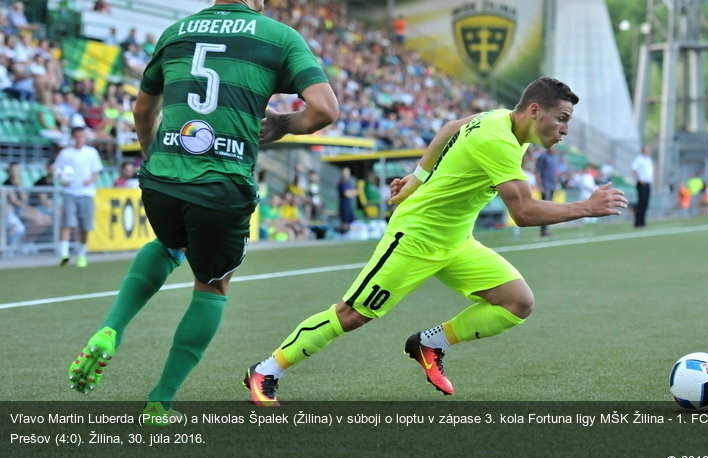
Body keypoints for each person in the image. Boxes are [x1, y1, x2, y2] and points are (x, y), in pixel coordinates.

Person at [66, 0, 339, 424]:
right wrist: (281, 123)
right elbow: (324, 110)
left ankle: (110, 328)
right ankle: (160, 400)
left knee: (170, 244)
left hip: (162, 178)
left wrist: (153, 156)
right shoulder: (279, 37)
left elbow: (142, 106)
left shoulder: (176, 32)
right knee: (212, 285)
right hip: (221, 186)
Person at [243, 77, 627, 406]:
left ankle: (429, 343)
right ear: (534, 111)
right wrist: (586, 207)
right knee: (352, 314)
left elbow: (447, 129)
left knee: (517, 303)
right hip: (415, 238)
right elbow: (523, 213)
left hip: (456, 241)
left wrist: (415, 179)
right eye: (561, 119)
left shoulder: (500, 119)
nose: (564, 129)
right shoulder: (499, 141)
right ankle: (265, 371)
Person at [55, 127, 104, 267]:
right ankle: (64, 254)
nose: (79, 139)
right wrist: (62, 178)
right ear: (73, 137)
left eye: (82, 136)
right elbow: (57, 170)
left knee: (85, 227)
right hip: (69, 192)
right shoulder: (65, 153)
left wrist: (90, 180)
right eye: (77, 136)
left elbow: (97, 172)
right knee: (67, 224)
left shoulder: (91, 152)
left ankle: (81, 255)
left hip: (86, 193)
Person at [534, 146, 559, 236]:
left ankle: (546, 229)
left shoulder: (555, 157)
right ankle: (543, 230)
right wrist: (540, 185)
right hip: (545, 185)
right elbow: (538, 172)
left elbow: (555, 171)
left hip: (552, 185)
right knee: (545, 208)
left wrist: (557, 182)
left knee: (550, 208)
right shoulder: (543, 157)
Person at [631, 145, 654, 228]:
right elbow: (634, 169)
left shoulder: (648, 159)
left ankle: (643, 221)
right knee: (641, 202)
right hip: (642, 183)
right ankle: (638, 222)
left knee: (645, 203)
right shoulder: (639, 159)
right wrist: (640, 179)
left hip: (648, 183)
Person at [337, 166, 356, 235]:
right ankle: (342, 235)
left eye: (347, 174)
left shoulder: (349, 183)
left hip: (349, 206)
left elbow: (355, 192)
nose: (346, 175)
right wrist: (353, 192)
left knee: (350, 222)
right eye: (345, 174)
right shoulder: (341, 183)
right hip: (344, 206)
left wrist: (352, 192)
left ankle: (347, 235)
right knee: (345, 223)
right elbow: (347, 194)